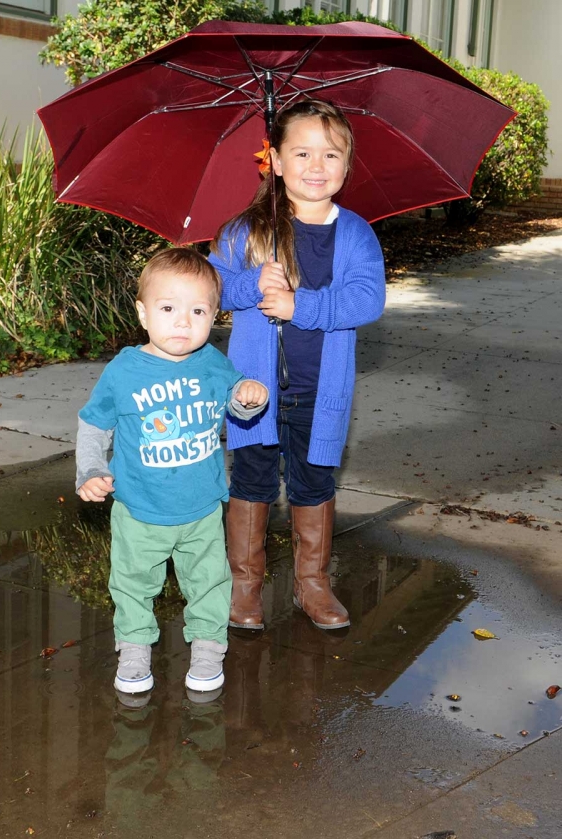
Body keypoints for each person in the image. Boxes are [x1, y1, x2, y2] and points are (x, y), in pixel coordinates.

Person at [209, 99, 385, 632]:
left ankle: (312, 584)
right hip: (253, 393)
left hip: (318, 390)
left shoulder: (354, 233)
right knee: (253, 482)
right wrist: (250, 284)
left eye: (330, 154)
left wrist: (299, 305)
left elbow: (366, 300)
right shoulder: (247, 230)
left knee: (312, 483)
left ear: (346, 166)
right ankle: (244, 586)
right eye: (301, 152)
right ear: (276, 161)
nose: (316, 166)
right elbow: (211, 285)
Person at [75, 248, 268, 695]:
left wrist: (247, 395)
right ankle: (136, 647)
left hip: (201, 507)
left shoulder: (211, 363)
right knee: (132, 584)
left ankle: (207, 647)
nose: (184, 322)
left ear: (214, 315)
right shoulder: (125, 370)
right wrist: (90, 469)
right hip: (140, 508)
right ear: (143, 313)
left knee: (209, 582)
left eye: (198, 310)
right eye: (168, 309)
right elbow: (94, 422)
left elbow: (234, 401)